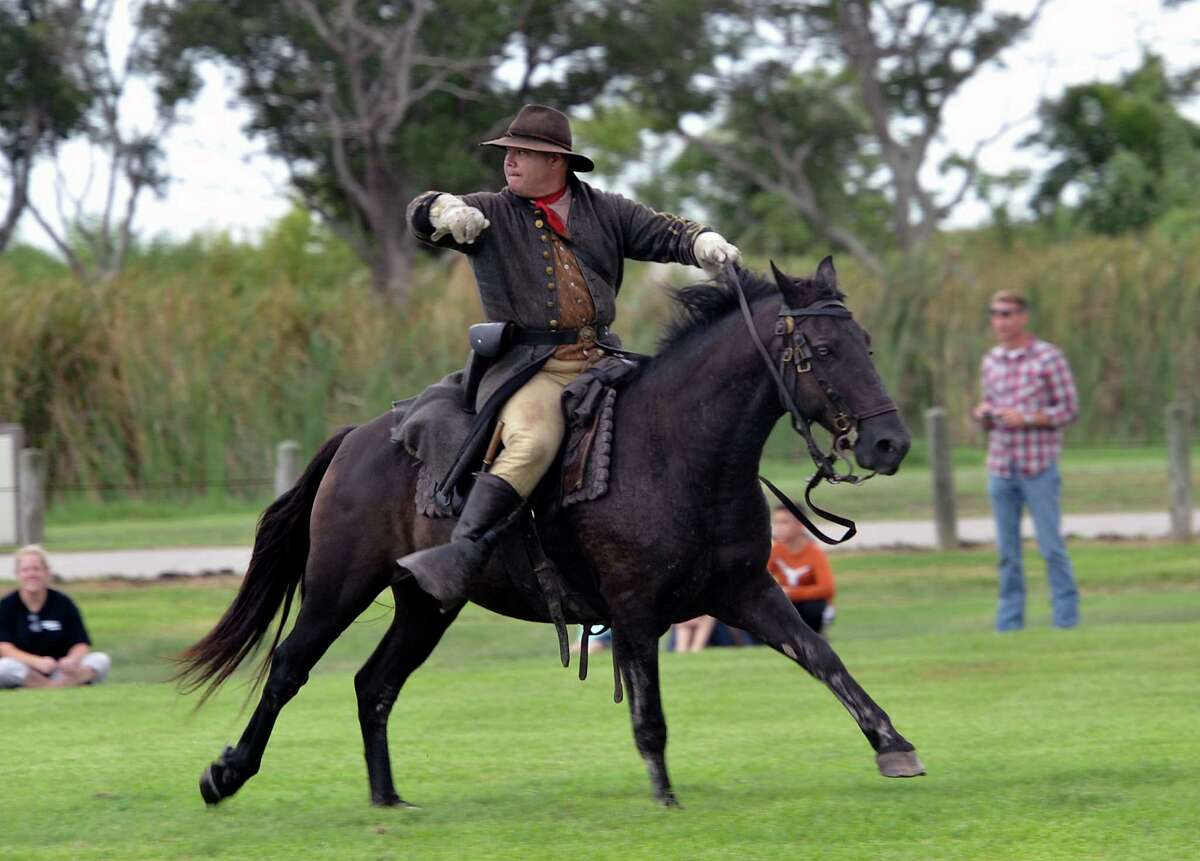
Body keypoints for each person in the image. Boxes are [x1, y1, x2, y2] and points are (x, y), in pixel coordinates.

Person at [397, 104, 741, 607]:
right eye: (508, 152)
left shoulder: (606, 209)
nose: (509, 161)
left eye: (523, 153)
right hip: (529, 368)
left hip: (604, 359)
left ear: (556, 162)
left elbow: (667, 232)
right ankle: (462, 554)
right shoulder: (487, 211)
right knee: (533, 443)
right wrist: (443, 212)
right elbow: (420, 213)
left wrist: (703, 243)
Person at [972, 289, 1080, 631]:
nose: (1000, 321)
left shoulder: (1048, 358)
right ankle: (1009, 624)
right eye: (995, 313)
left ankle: (1065, 621)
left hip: (1038, 467)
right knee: (1007, 554)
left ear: (1023, 317)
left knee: (1051, 548)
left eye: (1006, 313)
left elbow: (1068, 410)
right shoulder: (991, 360)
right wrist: (985, 413)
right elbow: (988, 404)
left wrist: (1028, 418)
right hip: (1001, 466)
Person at [0, 545, 111, 689]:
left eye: (36, 569)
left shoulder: (63, 603)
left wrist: (71, 660)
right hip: (25, 671)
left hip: (59, 671)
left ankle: (53, 686)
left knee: (101, 660)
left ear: (47, 572)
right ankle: (54, 687)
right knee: (5, 667)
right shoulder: (7, 605)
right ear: (17, 574)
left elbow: (81, 643)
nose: (31, 574)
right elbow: (5, 649)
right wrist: (36, 662)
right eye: (26, 570)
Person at [767, 506, 835, 635]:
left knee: (813, 607)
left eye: (784, 522)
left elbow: (827, 588)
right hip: (789, 603)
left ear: (800, 525)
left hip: (810, 605)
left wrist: (791, 593)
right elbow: (762, 575)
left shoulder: (814, 553)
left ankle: (815, 635)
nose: (778, 527)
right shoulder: (776, 551)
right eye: (776, 522)